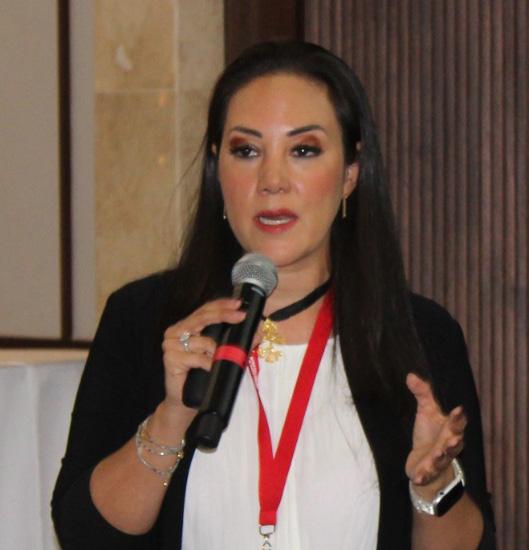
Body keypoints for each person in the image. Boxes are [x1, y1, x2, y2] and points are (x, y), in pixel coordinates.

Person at [52, 41, 496, 549]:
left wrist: (435, 485)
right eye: (247, 151)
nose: (272, 181)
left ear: (350, 174)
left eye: (303, 150)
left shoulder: (420, 335)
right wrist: (172, 416)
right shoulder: (145, 320)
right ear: (217, 169)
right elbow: (83, 535)